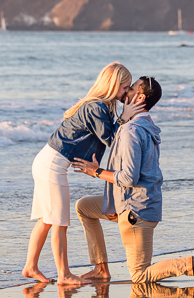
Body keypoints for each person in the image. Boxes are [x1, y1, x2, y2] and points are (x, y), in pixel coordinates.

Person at [72, 76, 194, 284]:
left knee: (140, 275)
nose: (126, 92)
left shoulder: (132, 131)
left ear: (140, 97)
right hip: (133, 201)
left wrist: (95, 172)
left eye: (131, 89)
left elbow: (128, 177)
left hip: (136, 210)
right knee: (84, 207)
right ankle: (101, 268)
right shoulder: (144, 125)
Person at [23, 62, 143, 286]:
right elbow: (113, 140)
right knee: (59, 222)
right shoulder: (96, 108)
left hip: (47, 160)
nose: (127, 92)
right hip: (52, 165)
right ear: (114, 84)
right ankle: (64, 274)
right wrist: (126, 117)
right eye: (125, 87)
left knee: (46, 220)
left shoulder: (101, 106)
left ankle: (30, 266)